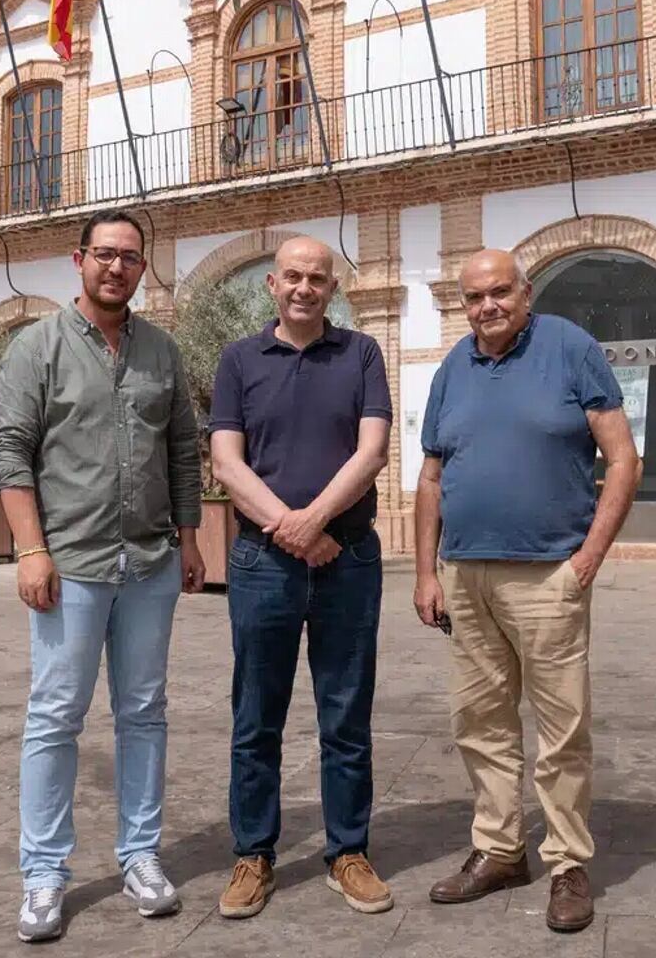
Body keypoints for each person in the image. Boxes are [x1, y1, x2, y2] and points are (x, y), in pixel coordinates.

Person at [0, 208, 206, 943]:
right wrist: (30, 549)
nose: (118, 267)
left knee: (144, 712)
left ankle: (140, 855)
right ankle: (44, 872)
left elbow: (183, 451)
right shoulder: (36, 348)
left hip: (149, 562)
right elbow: (11, 452)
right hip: (71, 565)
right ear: (78, 260)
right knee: (55, 717)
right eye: (106, 254)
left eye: (130, 257)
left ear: (143, 268)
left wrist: (188, 540)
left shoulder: (162, 352)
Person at [412, 249, 640, 934]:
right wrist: (425, 572)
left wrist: (588, 558)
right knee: (480, 723)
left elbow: (623, 457)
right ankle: (500, 850)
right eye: (474, 297)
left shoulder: (570, 349)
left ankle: (567, 864)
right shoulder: (453, 368)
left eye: (500, 292)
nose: (488, 306)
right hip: (465, 575)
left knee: (562, 730)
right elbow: (430, 478)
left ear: (526, 292)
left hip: (548, 575)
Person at [208, 238, 394, 919]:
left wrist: (312, 522)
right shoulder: (238, 360)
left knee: (346, 714)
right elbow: (226, 463)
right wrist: (292, 529)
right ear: (272, 283)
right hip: (263, 564)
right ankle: (253, 855)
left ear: (332, 287)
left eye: (317, 278)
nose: (304, 288)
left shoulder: (362, 354)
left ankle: (348, 852)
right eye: (293, 276)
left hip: (348, 559)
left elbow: (373, 452)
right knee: (256, 716)